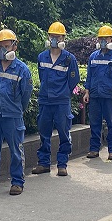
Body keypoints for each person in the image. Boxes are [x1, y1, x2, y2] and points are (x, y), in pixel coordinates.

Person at [0, 29, 33, 194]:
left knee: (16, 149)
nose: (4, 49)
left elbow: (26, 94)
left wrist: (17, 109)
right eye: (1, 46)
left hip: (13, 116)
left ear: (14, 47)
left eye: (7, 46)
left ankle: (17, 182)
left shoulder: (22, 69)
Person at [33, 21, 79, 176]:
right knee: (44, 132)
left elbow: (73, 80)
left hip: (61, 102)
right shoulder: (42, 57)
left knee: (64, 133)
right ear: (48, 37)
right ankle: (43, 163)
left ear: (63, 38)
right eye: (52, 36)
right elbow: (42, 77)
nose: (54, 39)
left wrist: (63, 92)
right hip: (45, 101)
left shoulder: (69, 59)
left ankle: (62, 164)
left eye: (58, 37)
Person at [83, 26, 112, 159]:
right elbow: (89, 76)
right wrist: (87, 92)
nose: (103, 41)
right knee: (94, 124)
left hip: (110, 96)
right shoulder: (93, 56)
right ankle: (94, 149)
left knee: (111, 124)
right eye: (101, 38)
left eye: (106, 38)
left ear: (111, 39)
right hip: (95, 95)